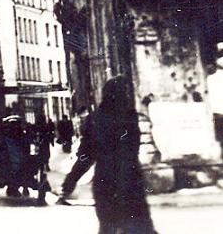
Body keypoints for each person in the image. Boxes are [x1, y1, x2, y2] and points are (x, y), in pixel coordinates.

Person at [61, 76, 158, 234]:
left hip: (105, 183)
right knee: (140, 228)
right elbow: (132, 150)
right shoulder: (130, 117)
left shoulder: (96, 119)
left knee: (108, 228)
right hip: (130, 183)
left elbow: (86, 156)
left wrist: (70, 181)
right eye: (125, 92)